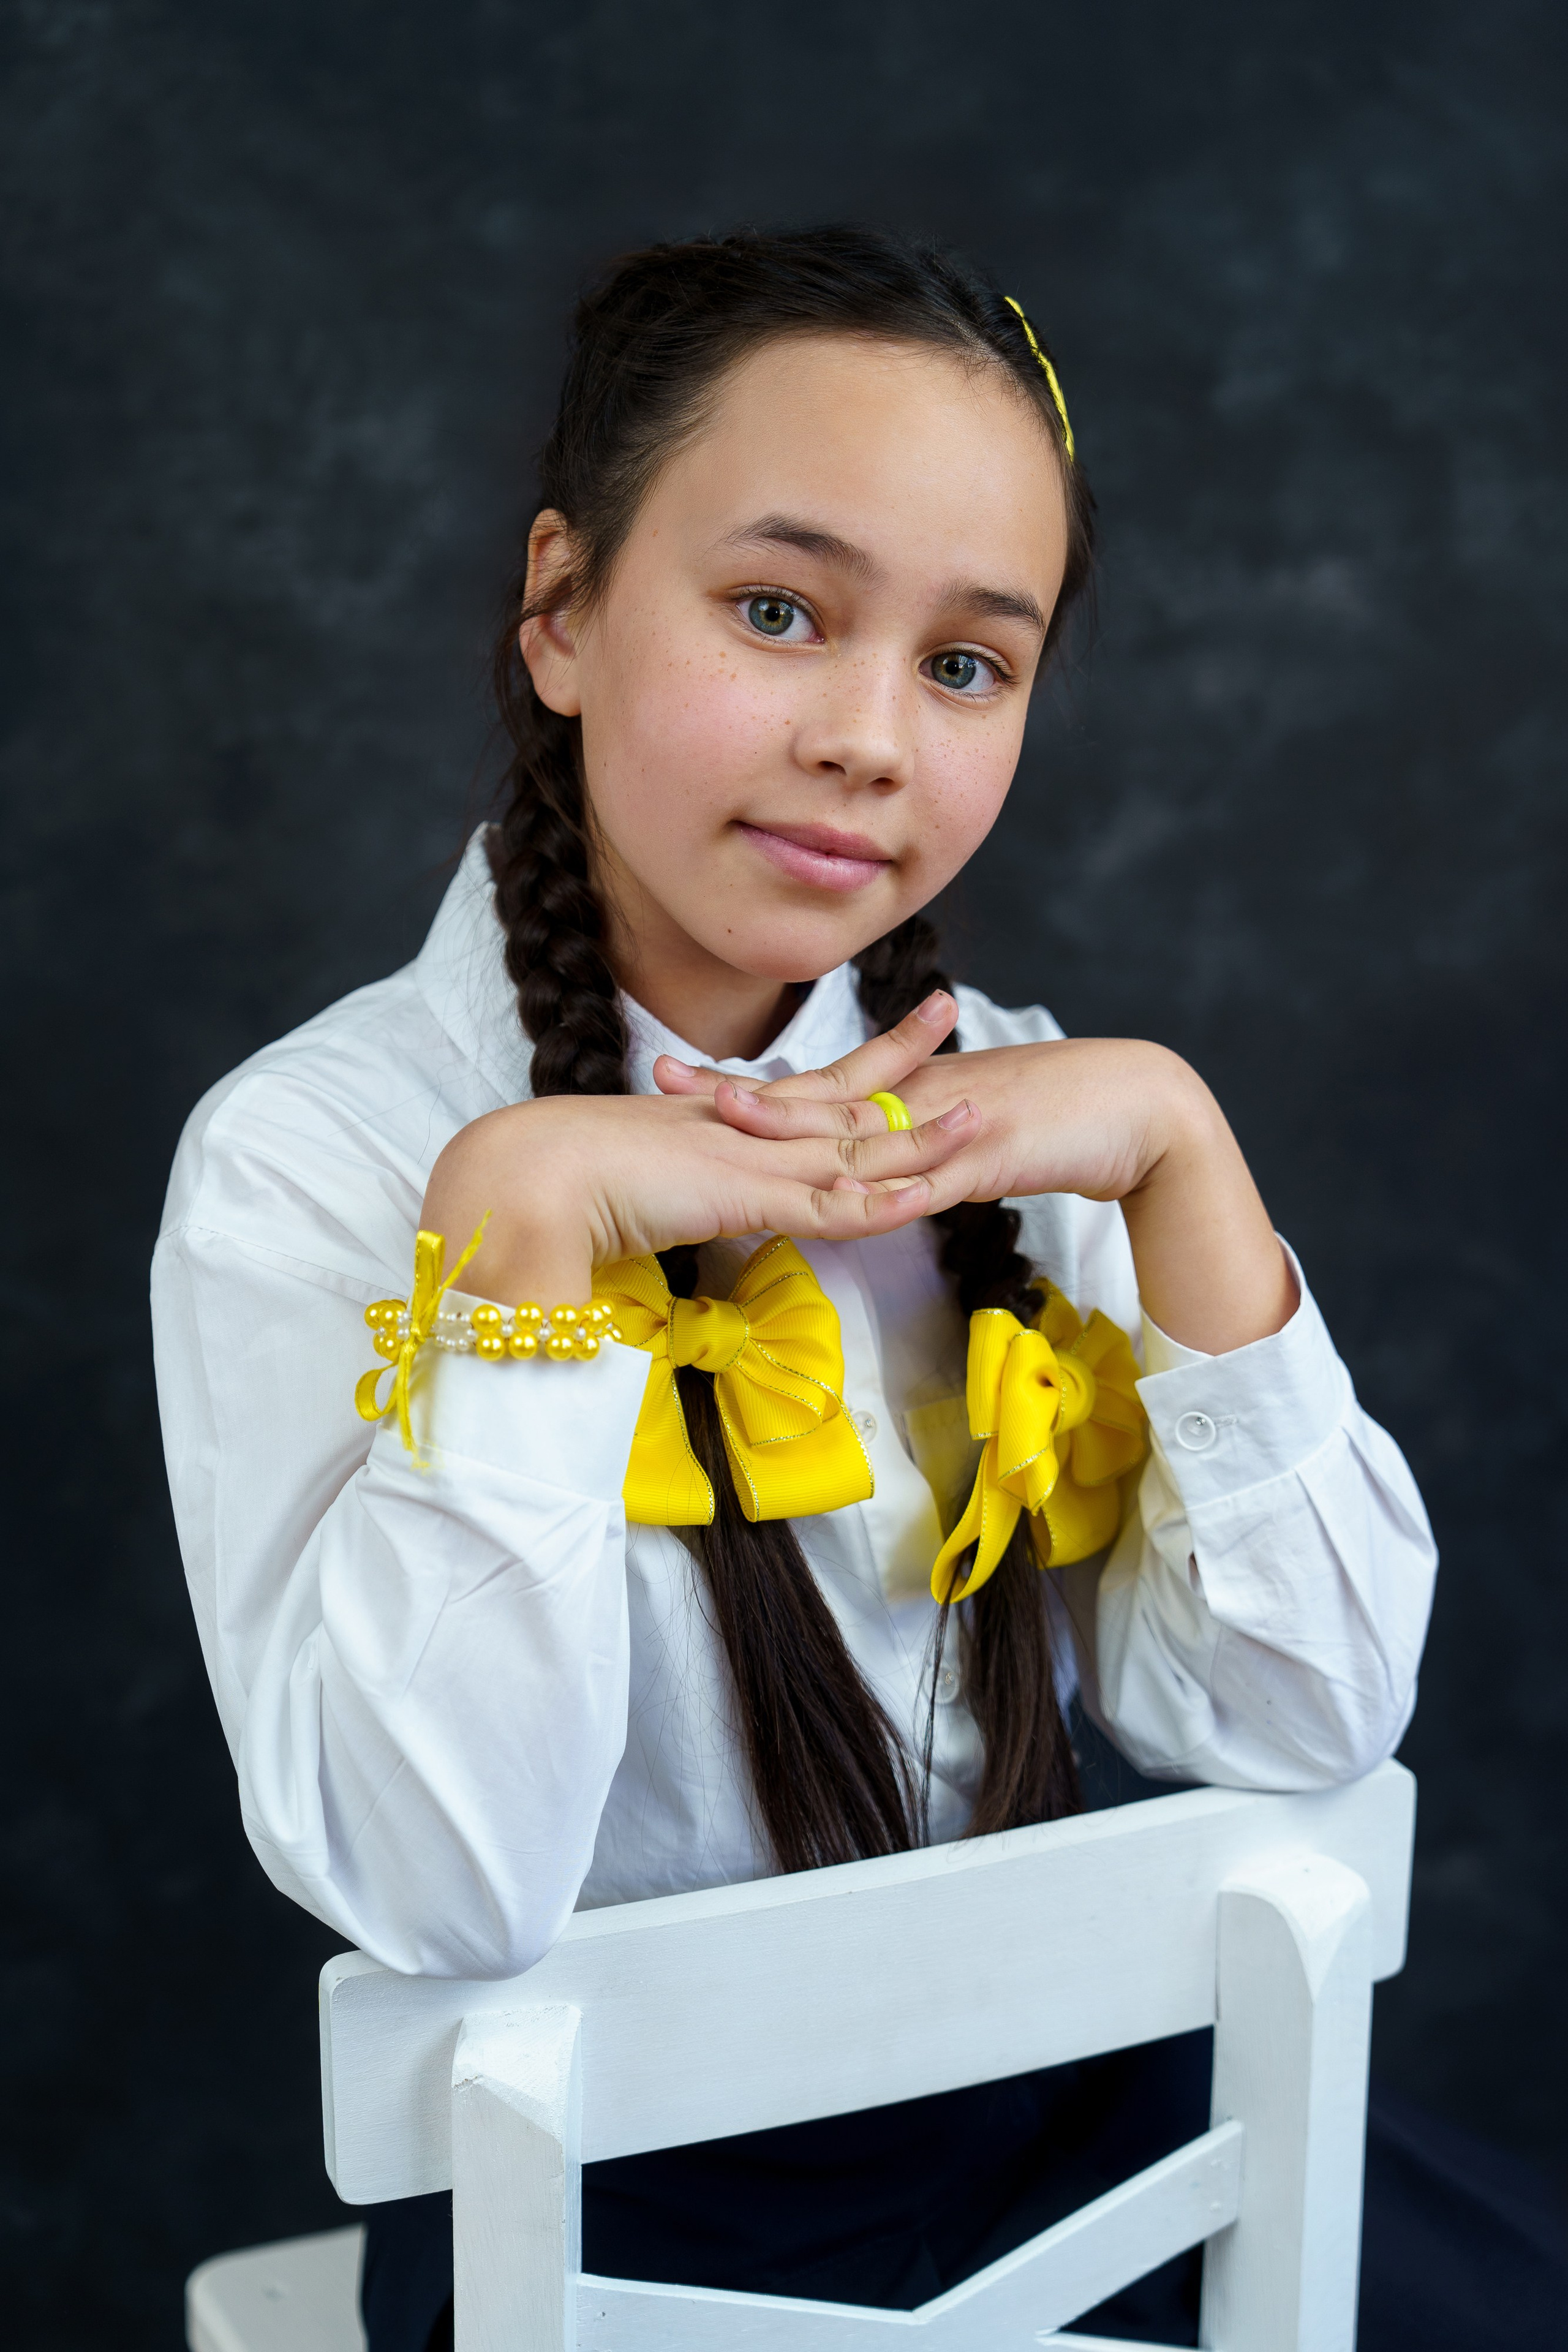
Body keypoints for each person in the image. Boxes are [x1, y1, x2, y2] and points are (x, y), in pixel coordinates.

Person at [154, 227, 1444, 2349]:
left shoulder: (1025, 1116)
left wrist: (1193, 1162)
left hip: (1111, 2166)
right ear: (560, 607)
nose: (868, 737)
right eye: (777, 611)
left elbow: (1305, 1729)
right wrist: (528, 1237)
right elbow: (441, 1888)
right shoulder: (320, 1162)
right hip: (596, 2231)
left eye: (967, 664)